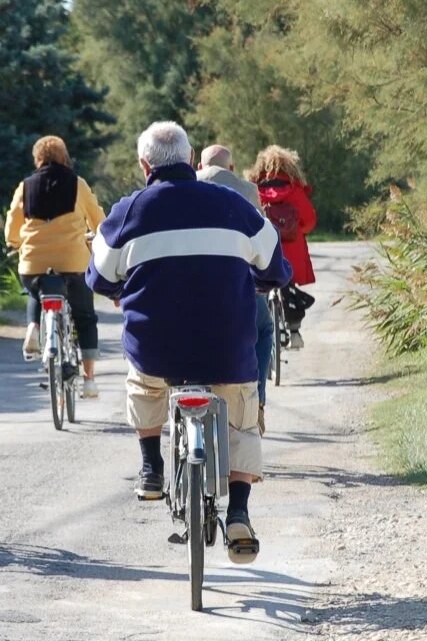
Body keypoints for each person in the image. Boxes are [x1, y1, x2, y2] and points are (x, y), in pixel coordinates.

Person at [86, 122, 291, 562]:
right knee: (241, 416)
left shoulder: (127, 212)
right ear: (189, 155)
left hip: (157, 350)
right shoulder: (234, 206)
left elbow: (98, 276)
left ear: (144, 165)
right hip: (226, 350)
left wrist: (124, 290)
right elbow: (276, 267)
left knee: (143, 384)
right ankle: (238, 511)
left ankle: (151, 467)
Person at [4, 135, 105, 397]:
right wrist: (96, 236)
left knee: (36, 289)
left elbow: (11, 230)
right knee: (84, 317)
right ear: (64, 157)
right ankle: (90, 380)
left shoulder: (25, 186)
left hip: (33, 264)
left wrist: (16, 242)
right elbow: (98, 221)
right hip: (73, 263)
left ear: (38, 159)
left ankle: (33, 328)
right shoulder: (78, 184)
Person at [197, 144, 273, 435]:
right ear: (231, 168)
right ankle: (259, 403)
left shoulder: (186, 186)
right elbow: (260, 238)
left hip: (192, 287)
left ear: (199, 166)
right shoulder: (248, 190)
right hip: (239, 287)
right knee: (264, 330)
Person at [246, 146, 317, 350]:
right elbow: (310, 221)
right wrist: (297, 231)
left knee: (257, 286)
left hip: (263, 251)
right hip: (291, 252)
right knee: (289, 287)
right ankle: (294, 331)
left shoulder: (253, 188)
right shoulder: (295, 190)